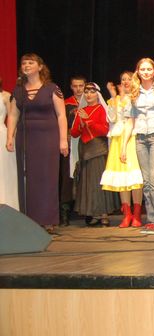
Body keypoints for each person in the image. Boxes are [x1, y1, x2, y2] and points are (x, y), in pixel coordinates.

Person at [6, 54, 68, 233]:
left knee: (47, 178)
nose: (26, 65)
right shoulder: (19, 90)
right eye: (24, 63)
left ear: (40, 67)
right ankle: (30, 219)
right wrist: (10, 137)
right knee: (28, 179)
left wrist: (63, 140)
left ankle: (48, 220)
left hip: (48, 138)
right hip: (26, 138)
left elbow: (61, 115)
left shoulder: (52, 88)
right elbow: (13, 115)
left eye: (30, 63)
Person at [121, 58, 154, 235]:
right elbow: (130, 121)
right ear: (138, 71)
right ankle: (152, 220)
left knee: (153, 179)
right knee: (146, 181)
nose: (146, 72)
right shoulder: (134, 92)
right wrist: (123, 146)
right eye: (142, 69)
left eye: (149, 69)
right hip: (140, 138)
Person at [70, 82, 118, 226]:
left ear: (97, 94)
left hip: (98, 149)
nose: (88, 94)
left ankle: (103, 213)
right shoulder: (82, 110)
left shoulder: (101, 109)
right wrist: (81, 125)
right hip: (85, 149)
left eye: (92, 92)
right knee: (88, 182)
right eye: (86, 92)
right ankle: (93, 212)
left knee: (98, 181)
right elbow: (74, 133)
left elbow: (105, 130)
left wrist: (88, 121)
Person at [101, 71, 144, 228]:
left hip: (133, 137)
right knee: (121, 178)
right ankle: (127, 215)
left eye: (129, 79)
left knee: (135, 178)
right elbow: (111, 118)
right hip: (118, 139)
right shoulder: (116, 100)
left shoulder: (138, 97)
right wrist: (113, 97)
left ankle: (137, 215)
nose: (126, 81)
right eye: (123, 79)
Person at [61, 75, 86, 225]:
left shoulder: (91, 101)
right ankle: (64, 211)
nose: (78, 89)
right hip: (70, 144)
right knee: (67, 177)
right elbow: (60, 122)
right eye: (75, 86)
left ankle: (89, 212)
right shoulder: (65, 104)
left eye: (81, 86)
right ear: (71, 87)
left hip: (87, 144)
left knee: (87, 176)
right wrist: (65, 135)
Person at [0, 75, 19, 209]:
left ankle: (7, 204)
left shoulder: (6, 96)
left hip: (2, 136)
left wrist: (12, 137)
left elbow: (13, 117)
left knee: (4, 170)